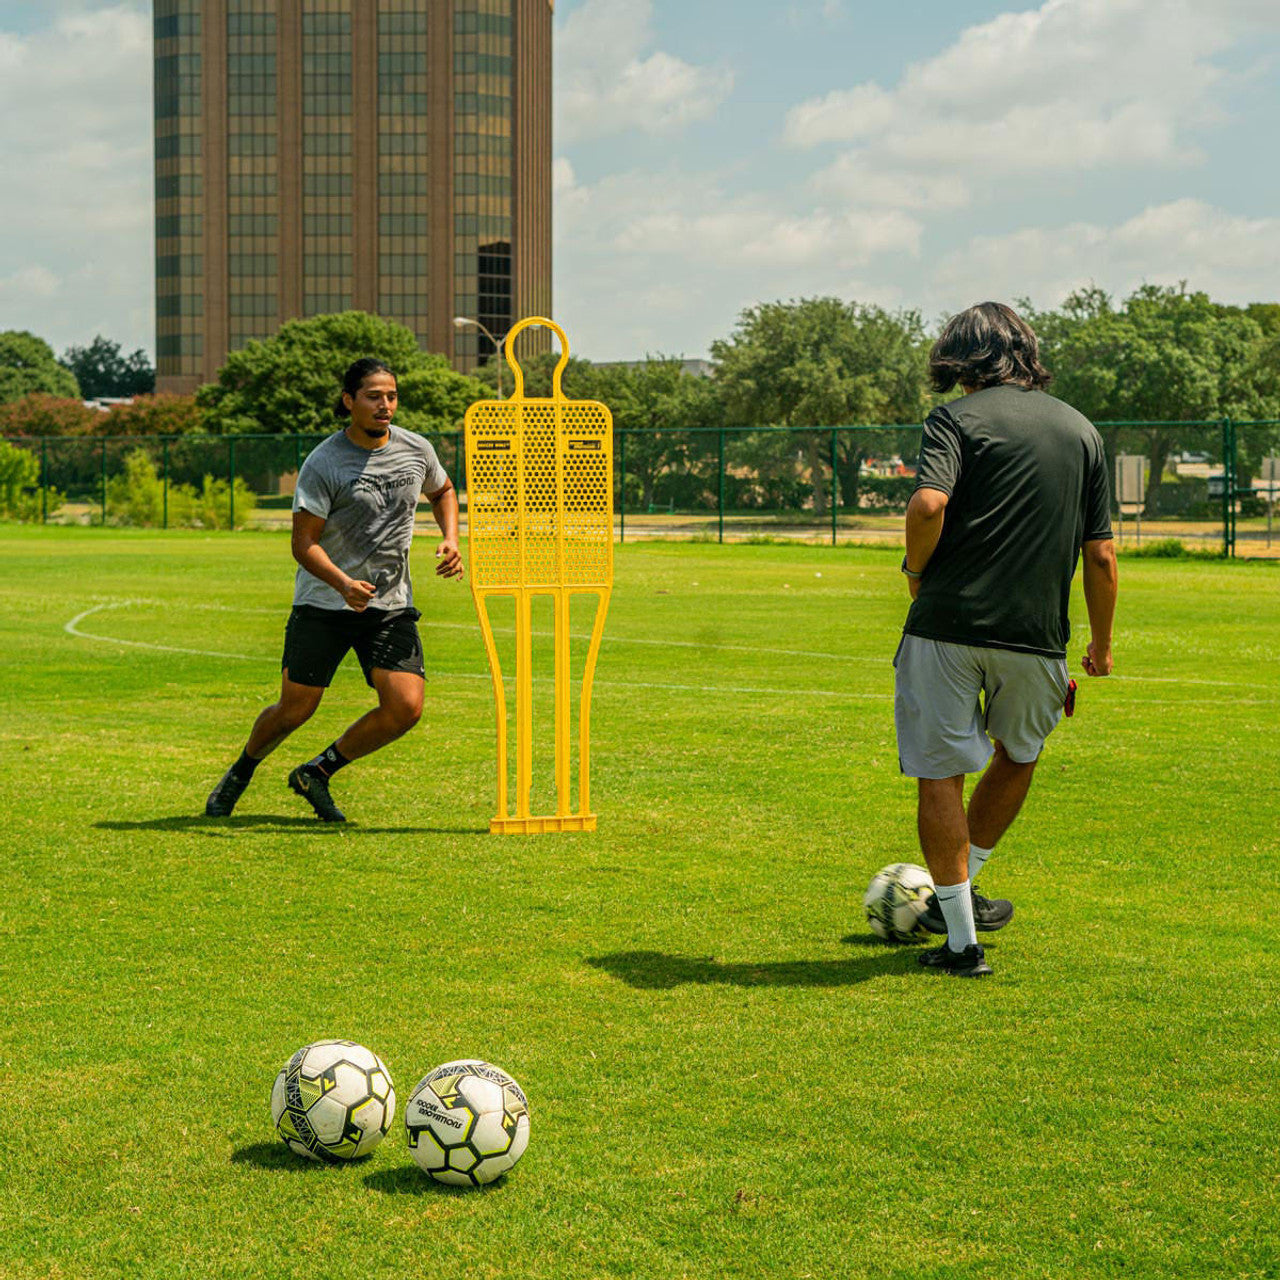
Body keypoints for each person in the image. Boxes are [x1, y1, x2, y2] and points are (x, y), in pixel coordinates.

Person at [895, 302, 1118, 977]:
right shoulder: (1082, 431)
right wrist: (1102, 648)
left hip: (946, 627)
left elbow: (928, 503)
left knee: (940, 774)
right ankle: (963, 890)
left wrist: (914, 570)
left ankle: (960, 940)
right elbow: (1102, 556)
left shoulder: (955, 420)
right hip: (1037, 637)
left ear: (960, 360)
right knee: (1018, 754)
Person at [204, 357, 463, 823]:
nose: (385, 405)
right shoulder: (323, 462)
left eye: (391, 396)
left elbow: (443, 490)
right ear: (349, 402)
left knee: (405, 706)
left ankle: (316, 772)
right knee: (294, 709)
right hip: (324, 603)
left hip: (388, 605)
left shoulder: (416, 449)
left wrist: (450, 538)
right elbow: (303, 544)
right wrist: (343, 583)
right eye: (373, 396)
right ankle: (241, 771)